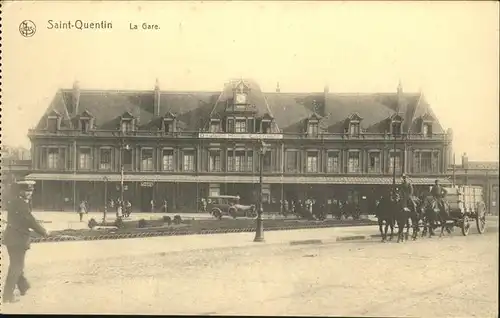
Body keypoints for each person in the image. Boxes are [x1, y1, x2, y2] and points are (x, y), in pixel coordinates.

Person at [2, 180, 49, 303]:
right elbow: (30, 220)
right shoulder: (21, 204)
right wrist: (43, 231)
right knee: (16, 267)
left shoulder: (15, 202)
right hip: (18, 239)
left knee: (16, 265)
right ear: (20, 191)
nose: (29, 193)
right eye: (26, 191)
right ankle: (7, 296)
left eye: (30, 191)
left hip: (11, 237)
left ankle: (23, 287)